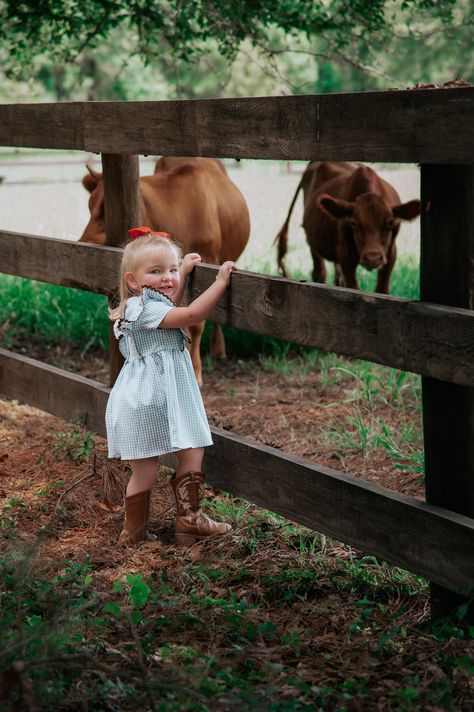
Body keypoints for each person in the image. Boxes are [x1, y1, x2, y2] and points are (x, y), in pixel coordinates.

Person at [105, 226, 236, 546]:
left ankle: (133, 532)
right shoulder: (148, 309)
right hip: (160, 395)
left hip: (138, 397)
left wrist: (185, 270)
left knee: (145, 471)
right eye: (156, 271)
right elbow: (191, 313)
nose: (167, 278)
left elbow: (167, 307)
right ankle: (189, 520)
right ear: (133, 281)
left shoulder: (138, 306)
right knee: (192, 450)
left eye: (171, 270)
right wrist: (219, 283)